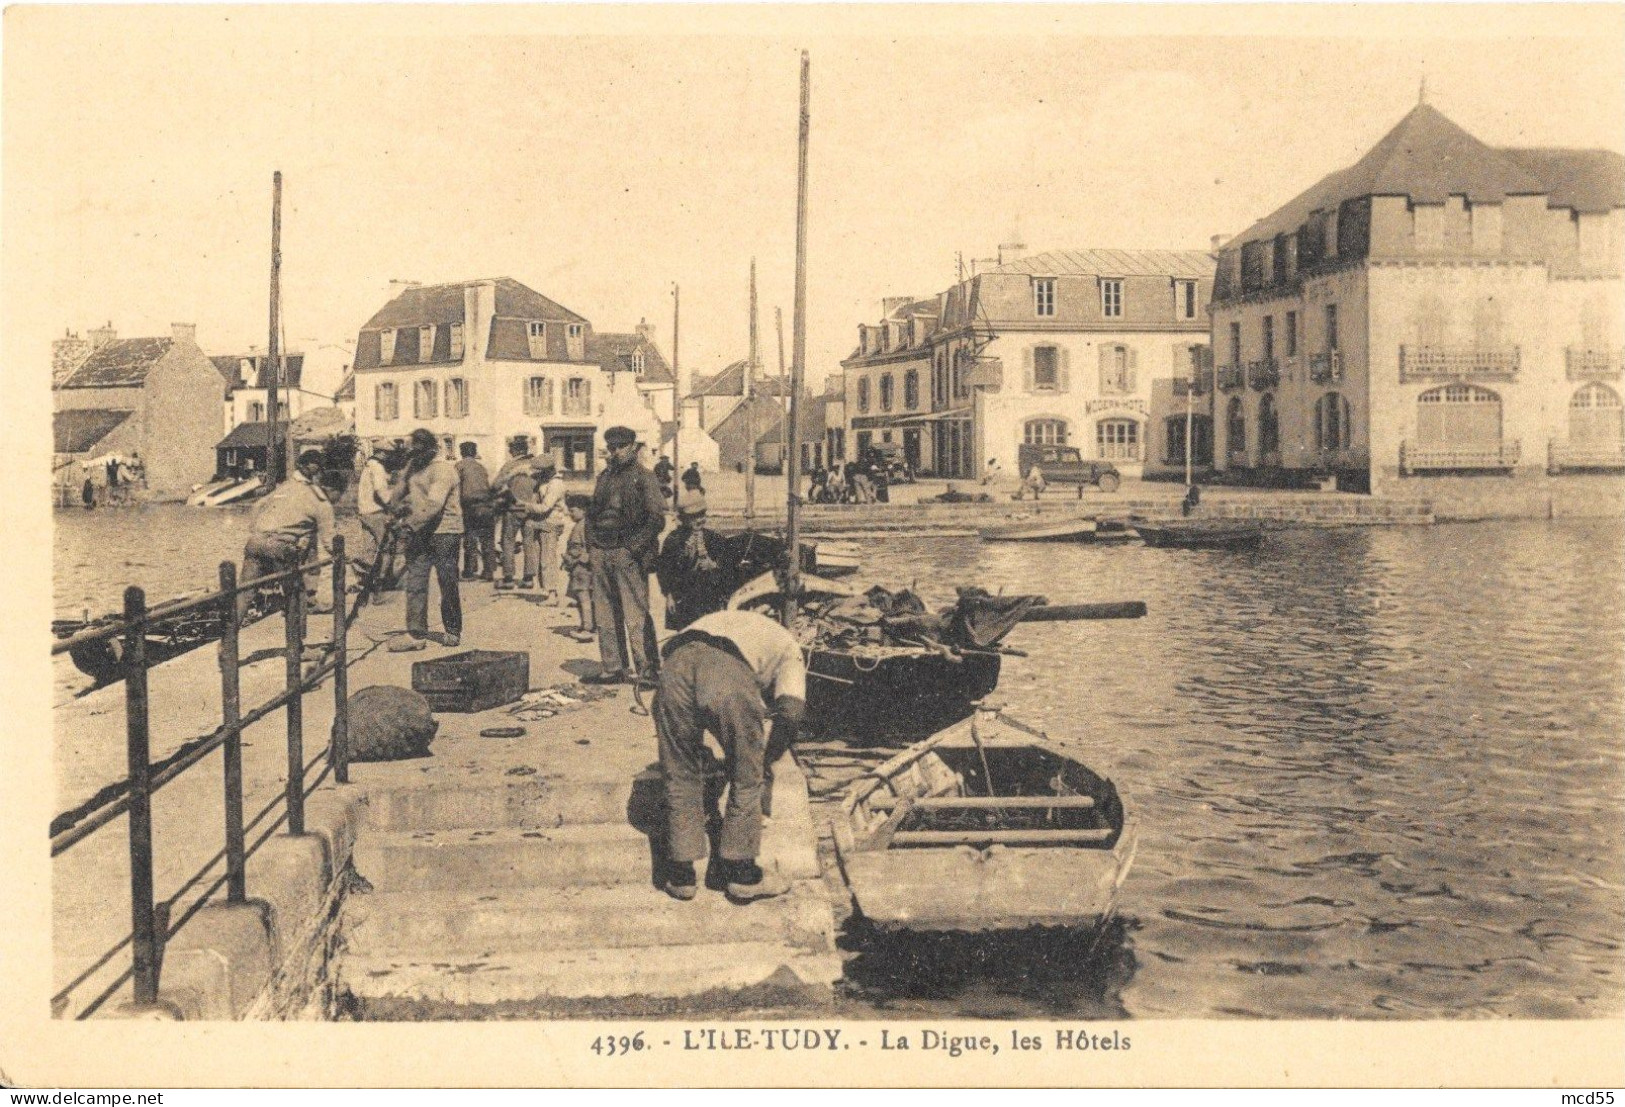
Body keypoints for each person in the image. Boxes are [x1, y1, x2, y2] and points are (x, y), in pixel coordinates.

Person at [652, 608, 806, 902]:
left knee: (680, 772)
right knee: (747, 776)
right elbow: (791, 713)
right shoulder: (790, 647)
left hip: (674, 665)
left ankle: (681, 877)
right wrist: (764, 757)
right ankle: (742, 874)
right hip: (727, 670)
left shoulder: (724, 619)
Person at [583, 426, 665, 684]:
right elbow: (592, 513)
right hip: (601, 551)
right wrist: (592, 545)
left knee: (636, 614)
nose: (615, 452)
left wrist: (633, 548)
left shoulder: (645, 477)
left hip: (628, 554)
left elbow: (656, 519)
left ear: (633, 447)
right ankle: (613, 667)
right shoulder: (604, 477)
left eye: (619, 447)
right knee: (604, 614)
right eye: (611, 447)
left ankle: (648, 671)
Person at [389, 428, 464, 651]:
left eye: (418, 450)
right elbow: (397, 497)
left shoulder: (443, 471)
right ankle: (416, 634)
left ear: (431, 449)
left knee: (447, 580)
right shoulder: (413, 470)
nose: (414, 454)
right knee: (416, 581)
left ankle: (452, 630)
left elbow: (433, 505)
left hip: (444, 531)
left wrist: (409, 525)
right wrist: (402, 478)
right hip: (421, 531)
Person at [238, 450, 335, 622]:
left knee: (243, 594)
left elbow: (257, 506)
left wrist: (257, 531)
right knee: (295, 595)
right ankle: (296, 645)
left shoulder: (283, 487)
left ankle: (227, 645)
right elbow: (329, 541)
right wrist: (346, 557)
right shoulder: (317, 498)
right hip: (281, 546)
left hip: (256, 542)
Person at [655, 491, 733, 631]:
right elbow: (665, 570)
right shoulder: (674, 540)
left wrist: (714, 565)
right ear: (684, 519)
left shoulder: (714, 539)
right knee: (686, 634)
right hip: (683, 598)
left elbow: (729, 563)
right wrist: (669, 595)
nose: (698, 520)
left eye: (701, 515)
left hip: (709, 598)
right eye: (693, 517)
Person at [491, 437, 539, 591]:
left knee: (508, 542)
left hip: (512, 509)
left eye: (511, 450)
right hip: (531, 508)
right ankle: (529, 578)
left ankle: (509, 578)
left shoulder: (509, 466)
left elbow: (496, 485)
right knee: (529, 543)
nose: (510, 452)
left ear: (515, 451)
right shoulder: (535, 465)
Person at [455, 442, 498, 582]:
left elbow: (456, 489)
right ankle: (489, 571)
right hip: (487, 506)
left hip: (470, 507)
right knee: (487, 539)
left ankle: (470, 570)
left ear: (462, 452)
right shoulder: (481, 467)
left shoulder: (459, 467)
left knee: (470, 538)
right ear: (474, 452)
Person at [356, 443, 396, 591]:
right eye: (387, 453)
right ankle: (383, 580)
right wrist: (392, 504)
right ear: (382, 453)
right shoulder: (378, 467)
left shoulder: (368, 466)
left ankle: (365, 579)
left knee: (369, 548)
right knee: (387, 546)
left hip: (364, 511)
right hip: (376, 512)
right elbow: (381, 491)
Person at [528, 459, 566, 599]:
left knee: (547, 559)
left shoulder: (555, 484)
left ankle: (552, 593)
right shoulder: (545, 482)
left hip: (552, 523)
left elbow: (545, 506)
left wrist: (526, 506)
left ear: (548, 470)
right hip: (542, 523)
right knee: (539, 557)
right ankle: (546, 589)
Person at [560, 494, 596, 642]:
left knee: (584, 598)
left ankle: (587, 627)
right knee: (581, 598)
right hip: (577, 567)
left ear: (583, 510)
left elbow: (589, 547)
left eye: (573, 510)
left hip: (582, 568)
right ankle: (586, 625)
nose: (570, 513)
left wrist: (579, 558)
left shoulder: (585, 526)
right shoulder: (583, 524)